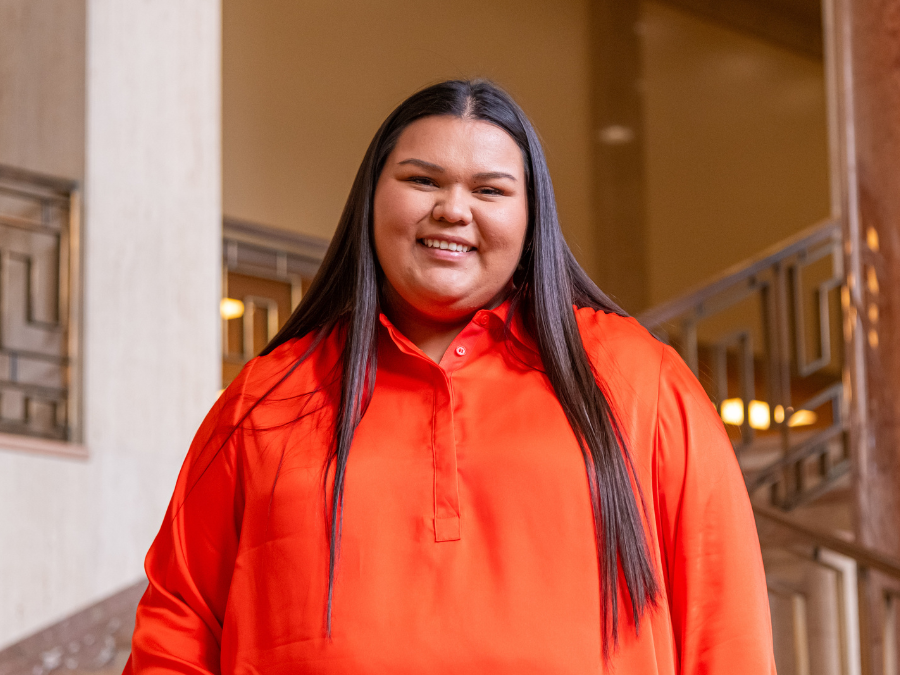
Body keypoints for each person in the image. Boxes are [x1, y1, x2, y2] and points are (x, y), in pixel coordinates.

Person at [124, 80, 775, 674]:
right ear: (371, 198)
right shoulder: (265, 396)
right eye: (422, 180)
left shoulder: (641, 377)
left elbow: (727, 628)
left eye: (489, 189)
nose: (453, 210)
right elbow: (174, 636)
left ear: (531, 218)